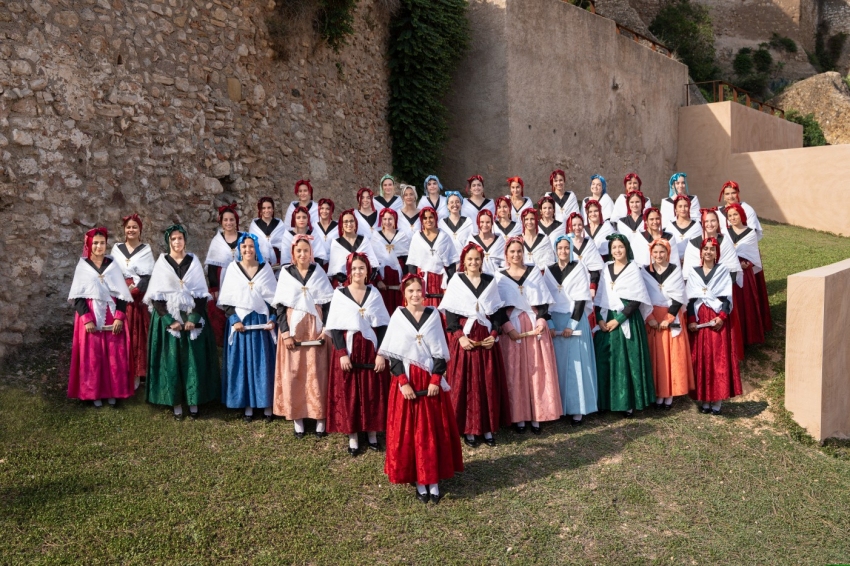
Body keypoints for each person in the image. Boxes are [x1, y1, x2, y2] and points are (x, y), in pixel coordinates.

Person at [380, 274, 464, 504]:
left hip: (429, 381)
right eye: (411, 291)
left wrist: (436, 380)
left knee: (431, 431)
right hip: (408, 381)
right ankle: (418, 478)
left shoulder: (433, 315)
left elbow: (440, 351)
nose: (415, 295)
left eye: (419, 290)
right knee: (410, 431)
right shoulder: (398, 317)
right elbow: (394, 353)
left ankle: (433, 480)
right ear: (404, 294)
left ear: (424, 292)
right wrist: (402, 382)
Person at [145, 225, 220, 420]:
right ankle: (176, 402)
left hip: (190, 317)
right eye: (173, 239)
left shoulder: (193, 262)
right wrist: (169, 320)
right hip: (168, 319)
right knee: (171, 360)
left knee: (192, 360)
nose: (177, 242)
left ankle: (194, 401)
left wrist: (193, 319)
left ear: (185, 240)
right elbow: (156, 297)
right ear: (168, 242)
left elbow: (201, 294)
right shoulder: (162, 264)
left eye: (180, 238)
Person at [439, 244, 510, 447]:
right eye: (469, 259)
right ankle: (468, 428)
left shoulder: (489, 281)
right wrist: (459, 336)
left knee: (487, 381)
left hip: (485, 338)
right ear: (464, 261)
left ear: (482, 260)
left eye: (477, 259)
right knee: (466, 382)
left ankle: (487, 428)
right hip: (466, 337)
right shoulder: (457, 280)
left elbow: (496, 312)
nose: (473, 262)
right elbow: (450, 313)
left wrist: (494, 334)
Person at [324, 252, 391, 456]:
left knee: (372, 391)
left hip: (370, 351)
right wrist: (342, 353)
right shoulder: (340, 295)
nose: (358, 272)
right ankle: (352, 434)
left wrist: (381, 353)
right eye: (354, 269)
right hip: (349, 350)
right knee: (349, 391)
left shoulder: (374, 294)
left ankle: (372, 432)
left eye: (361, 268)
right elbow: (335, 328)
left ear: (367, 271)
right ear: (349, 271)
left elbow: (383, 326)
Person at [496, 237, 563, 433]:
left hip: (534, 326)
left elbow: (543, 303)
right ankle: (519, 416)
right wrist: (508, 328)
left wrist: (541, 320)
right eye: (512, 251)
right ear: (506, 254)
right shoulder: (500, 277)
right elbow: (497, 307)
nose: (516, 255)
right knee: (515, 372)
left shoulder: (533, 273)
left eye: (519, 251)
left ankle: (537, 415)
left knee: (536, 370)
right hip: (513, 328)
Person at [273, 235, 335, 437]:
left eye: (306, 251)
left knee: (317, 371)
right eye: (298, 251)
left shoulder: (319, 272)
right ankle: (297, 416)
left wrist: (326, 329)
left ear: (311, 253)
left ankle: (319, 417)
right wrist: (285, 333)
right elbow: (280, 307)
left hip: (316, 329)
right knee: (294, 371)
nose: (302, 254)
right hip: (293, 329)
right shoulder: (286, 273)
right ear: (293, 253)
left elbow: (328, 304)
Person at [68, 228, 133, 408]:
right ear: (89, 245)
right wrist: (87, 319)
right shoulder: (83, 267)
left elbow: (122, 294)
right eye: (95, 243)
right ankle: (94, 392)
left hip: (111, 314)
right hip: (91, 313)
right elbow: (78, 296)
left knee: (114, 355)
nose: (99, 246)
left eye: (102, 243)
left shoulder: (113, 266)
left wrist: (119, 317)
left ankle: (114, 391)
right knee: (92, 355)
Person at [593, 234, 654, 417]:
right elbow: (600, 296)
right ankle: (605, 401)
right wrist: (600, 319)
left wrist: (618, 320)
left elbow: (636, 300)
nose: (617, 250)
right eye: (614, 247)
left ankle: (627, 402)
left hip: (626, 318)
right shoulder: (606, 268)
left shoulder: (633, 268)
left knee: (625, 361)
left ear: (626, 248)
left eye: (620, 247)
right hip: (607, 317)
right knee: (605, 358)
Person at [218, 233, 277, 423]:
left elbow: (274, 300)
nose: (248, 250)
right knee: (243, 363)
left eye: (251, 246)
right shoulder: (233, 269)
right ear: (239, 249)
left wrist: (273, 319)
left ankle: (267, 405)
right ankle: (248, 405)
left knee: (263, 363)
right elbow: (227, 300)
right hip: (241, 324)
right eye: (244, 247)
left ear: (256, 248)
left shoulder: (265, 269)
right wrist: (234, 320)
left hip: (261, 323)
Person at [543, 235, 597, 425]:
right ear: (555, 250)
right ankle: (558, 407)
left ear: (571, 249)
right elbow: (545, 300)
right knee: (557, 365)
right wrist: (550, 324)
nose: (563, 251)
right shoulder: (549, 271)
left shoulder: (578, 268)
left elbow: (581, 299)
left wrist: (571, 325)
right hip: (555, 322)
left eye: (567, 248)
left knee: (576, 366)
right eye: (560, 248)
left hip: (574, 320)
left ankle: (577, 409)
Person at [686, 238, 742, 415]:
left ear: (717, 253)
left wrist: (722, 317)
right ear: (701, 252)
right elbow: (690, 300)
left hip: (716, 319)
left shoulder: (723, 271)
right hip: (700, 318)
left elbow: (727, 298)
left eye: (712, 249)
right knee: (702, 358)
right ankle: (704, 399)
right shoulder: (694, 272)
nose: (708, 252)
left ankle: (717, 400)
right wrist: (691, 319)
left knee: (718, 359)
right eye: (705, 249)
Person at [641, 238, 693, 410]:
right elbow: (642, 296)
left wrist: (668, 318)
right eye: (655, 252)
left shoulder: (675, 270)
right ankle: (657, 392)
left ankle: (669, 393)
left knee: (670, 356)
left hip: (670, 316)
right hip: (652, 317)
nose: (658, 255)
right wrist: (650, 318)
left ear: (668, 253)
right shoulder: (645, 271)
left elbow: (678, 298)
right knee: (655, 355)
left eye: (662, 252)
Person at [111, 214, 154, 390]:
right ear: (124, 230)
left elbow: (147, 277)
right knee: (119, 336)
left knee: (136, 337)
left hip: (137, 300)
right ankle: (120, 373)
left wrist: (134, 291)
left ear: (140, 230)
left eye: (134, 227)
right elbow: (111, 272)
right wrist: (120, 291)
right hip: (118, 297)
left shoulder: (146, 250)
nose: (131, 230)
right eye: (128, 227)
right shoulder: (116, 249)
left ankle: (136, 374)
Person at [726, 203, 772, 345]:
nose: (733, 218)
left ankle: (747, 336)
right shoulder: (724, 233)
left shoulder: (750, 233)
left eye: (735, 214)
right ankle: (733, 336)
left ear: (742, 215)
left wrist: (748, 264)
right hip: (728, 272)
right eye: (730, 215)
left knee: (745, 304)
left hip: (745, 274)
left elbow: (753, 255)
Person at [405, 207, 459, 308]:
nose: (428, 220)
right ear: (421, 220)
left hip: (440, 280)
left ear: (435, 218)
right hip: (422, 279)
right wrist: (414, 282)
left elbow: (451, 261)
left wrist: (450, 283)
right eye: (425, 218)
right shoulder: (417, 238)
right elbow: (412, 262)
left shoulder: (444, 237)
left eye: (431, 217)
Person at [205, 203, 242, 347]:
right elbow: (212, 265)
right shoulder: (217, 241)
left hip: (240, 278)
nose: (228, 223)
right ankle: (224, 343)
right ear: (221, 222)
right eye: (225, 220)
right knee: (223, 309)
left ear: (236, 221)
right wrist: (214, 288)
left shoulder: (243, 238)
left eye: (231, 219)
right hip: (222, 278)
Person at [326, 210, 379, 288]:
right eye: (346, 222)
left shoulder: (364, 240)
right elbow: (335, 266)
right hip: (344, 283)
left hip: (363, 282)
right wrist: (344, 279)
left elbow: (372, 261)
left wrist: (370, 273)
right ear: (341, 225)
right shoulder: (336, 243)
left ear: (355, 223)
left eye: (351, 221)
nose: (349, 224)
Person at [373, 207, 410, 313]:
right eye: (384, 219)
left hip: (399, 279)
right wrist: (378, 280)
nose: (387, 222)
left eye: (390, 219)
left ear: (395, 220)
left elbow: (407, 260)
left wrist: (404, 280)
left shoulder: (402, 236)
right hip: (383, 279)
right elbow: (373, 261)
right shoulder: (376, 237)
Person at [565, 213, 604, 299]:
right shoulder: (565, 243)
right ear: (569, 226)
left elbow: (595, 268)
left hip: (587, 285)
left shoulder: (589, 243)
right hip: (570, 286)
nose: (577, 228)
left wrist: (592, 287)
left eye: (579, 225)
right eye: (574, 225)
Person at [248, 197, 286, 267]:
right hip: (259, 263)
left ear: (273, 209)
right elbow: (251, 245)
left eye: (269, 208)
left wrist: (279, 262)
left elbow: (284, 245)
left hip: (278, 263)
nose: (266, 210)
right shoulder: (254, 226)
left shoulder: (280, 225)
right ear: (260, 210)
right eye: (263, 208)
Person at [664, 195, 702, 263]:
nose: (683, 209)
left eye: (686, 206)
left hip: (692, 262)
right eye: (680, 206)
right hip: (674, 262)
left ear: (689, 208)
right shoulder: (670, 226)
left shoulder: (697, 226)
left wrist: (687, 258)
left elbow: (699, 246)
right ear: (675, 209)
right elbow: (667, 246)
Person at [468, 209, 506, 275]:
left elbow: (505, 260)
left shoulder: (500, 240)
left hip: (497, 277)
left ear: (492, 223)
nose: (485, 225)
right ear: (478, 223)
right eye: (482, 222)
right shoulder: (471, 240)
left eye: (488, 222)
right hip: (477, 276)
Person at [439, 191, 474, 256]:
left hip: (465, 258)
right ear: (447, 205)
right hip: (448, 259)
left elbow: (471, 241)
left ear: (461, 204)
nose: (455, 204)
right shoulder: (442, 223)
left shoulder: (468, 222)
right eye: (451, 202)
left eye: (457, 202)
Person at [614, 190, 648, 256]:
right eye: (632, 202)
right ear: (628, 204)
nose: (634, 205)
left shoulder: (647, 220)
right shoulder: (621, 222)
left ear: (642, 203)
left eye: (637, 202)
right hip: (626, 256)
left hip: (643, 254)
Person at [315, 198, 338, 269]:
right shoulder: (313, 226)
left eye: (327, 209)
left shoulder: (338, 227)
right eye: (322, 208)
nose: (324, 211)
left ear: (332, 210)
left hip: (334, 263)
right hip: (317, 263)